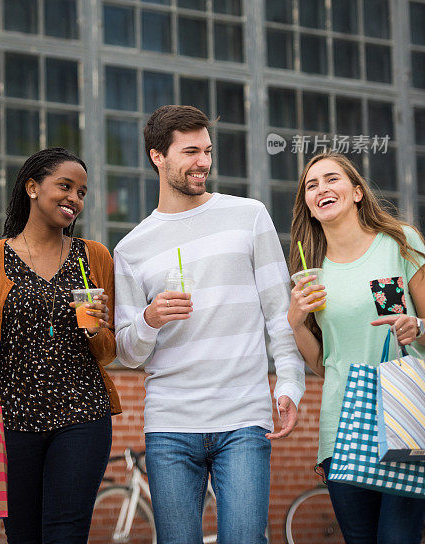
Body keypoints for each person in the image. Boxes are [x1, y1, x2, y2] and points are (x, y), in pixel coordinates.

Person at [114, 105, 305, 544]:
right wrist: (149, 318)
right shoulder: (131, 248)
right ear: (157, 157)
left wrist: (290, 382)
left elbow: (280, 312)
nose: (204, 162)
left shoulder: (249, 215)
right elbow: (127, 352)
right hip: (170, 423)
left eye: (208, 150)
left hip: (242, 415)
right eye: (190, 152)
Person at [0, 147, 121, 544]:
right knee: (22, 534)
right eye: (65, 186)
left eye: (82, 192)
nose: (74, 198)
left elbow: (109, 352)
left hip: (82, 414)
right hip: (11, 420)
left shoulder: (93, 256)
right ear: (31, 187)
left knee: (66, 532)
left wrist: (96, 328)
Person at [287, 151, 425, 544]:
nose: (322, 189)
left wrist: (415, 326)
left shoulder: (398, 243)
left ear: (358, 192)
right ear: (310, 208)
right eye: (312, 186)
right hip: (342, 426)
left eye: (332, 179)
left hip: (403, 418)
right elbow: (322, 363)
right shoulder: (313, 270)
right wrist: (294, 322)